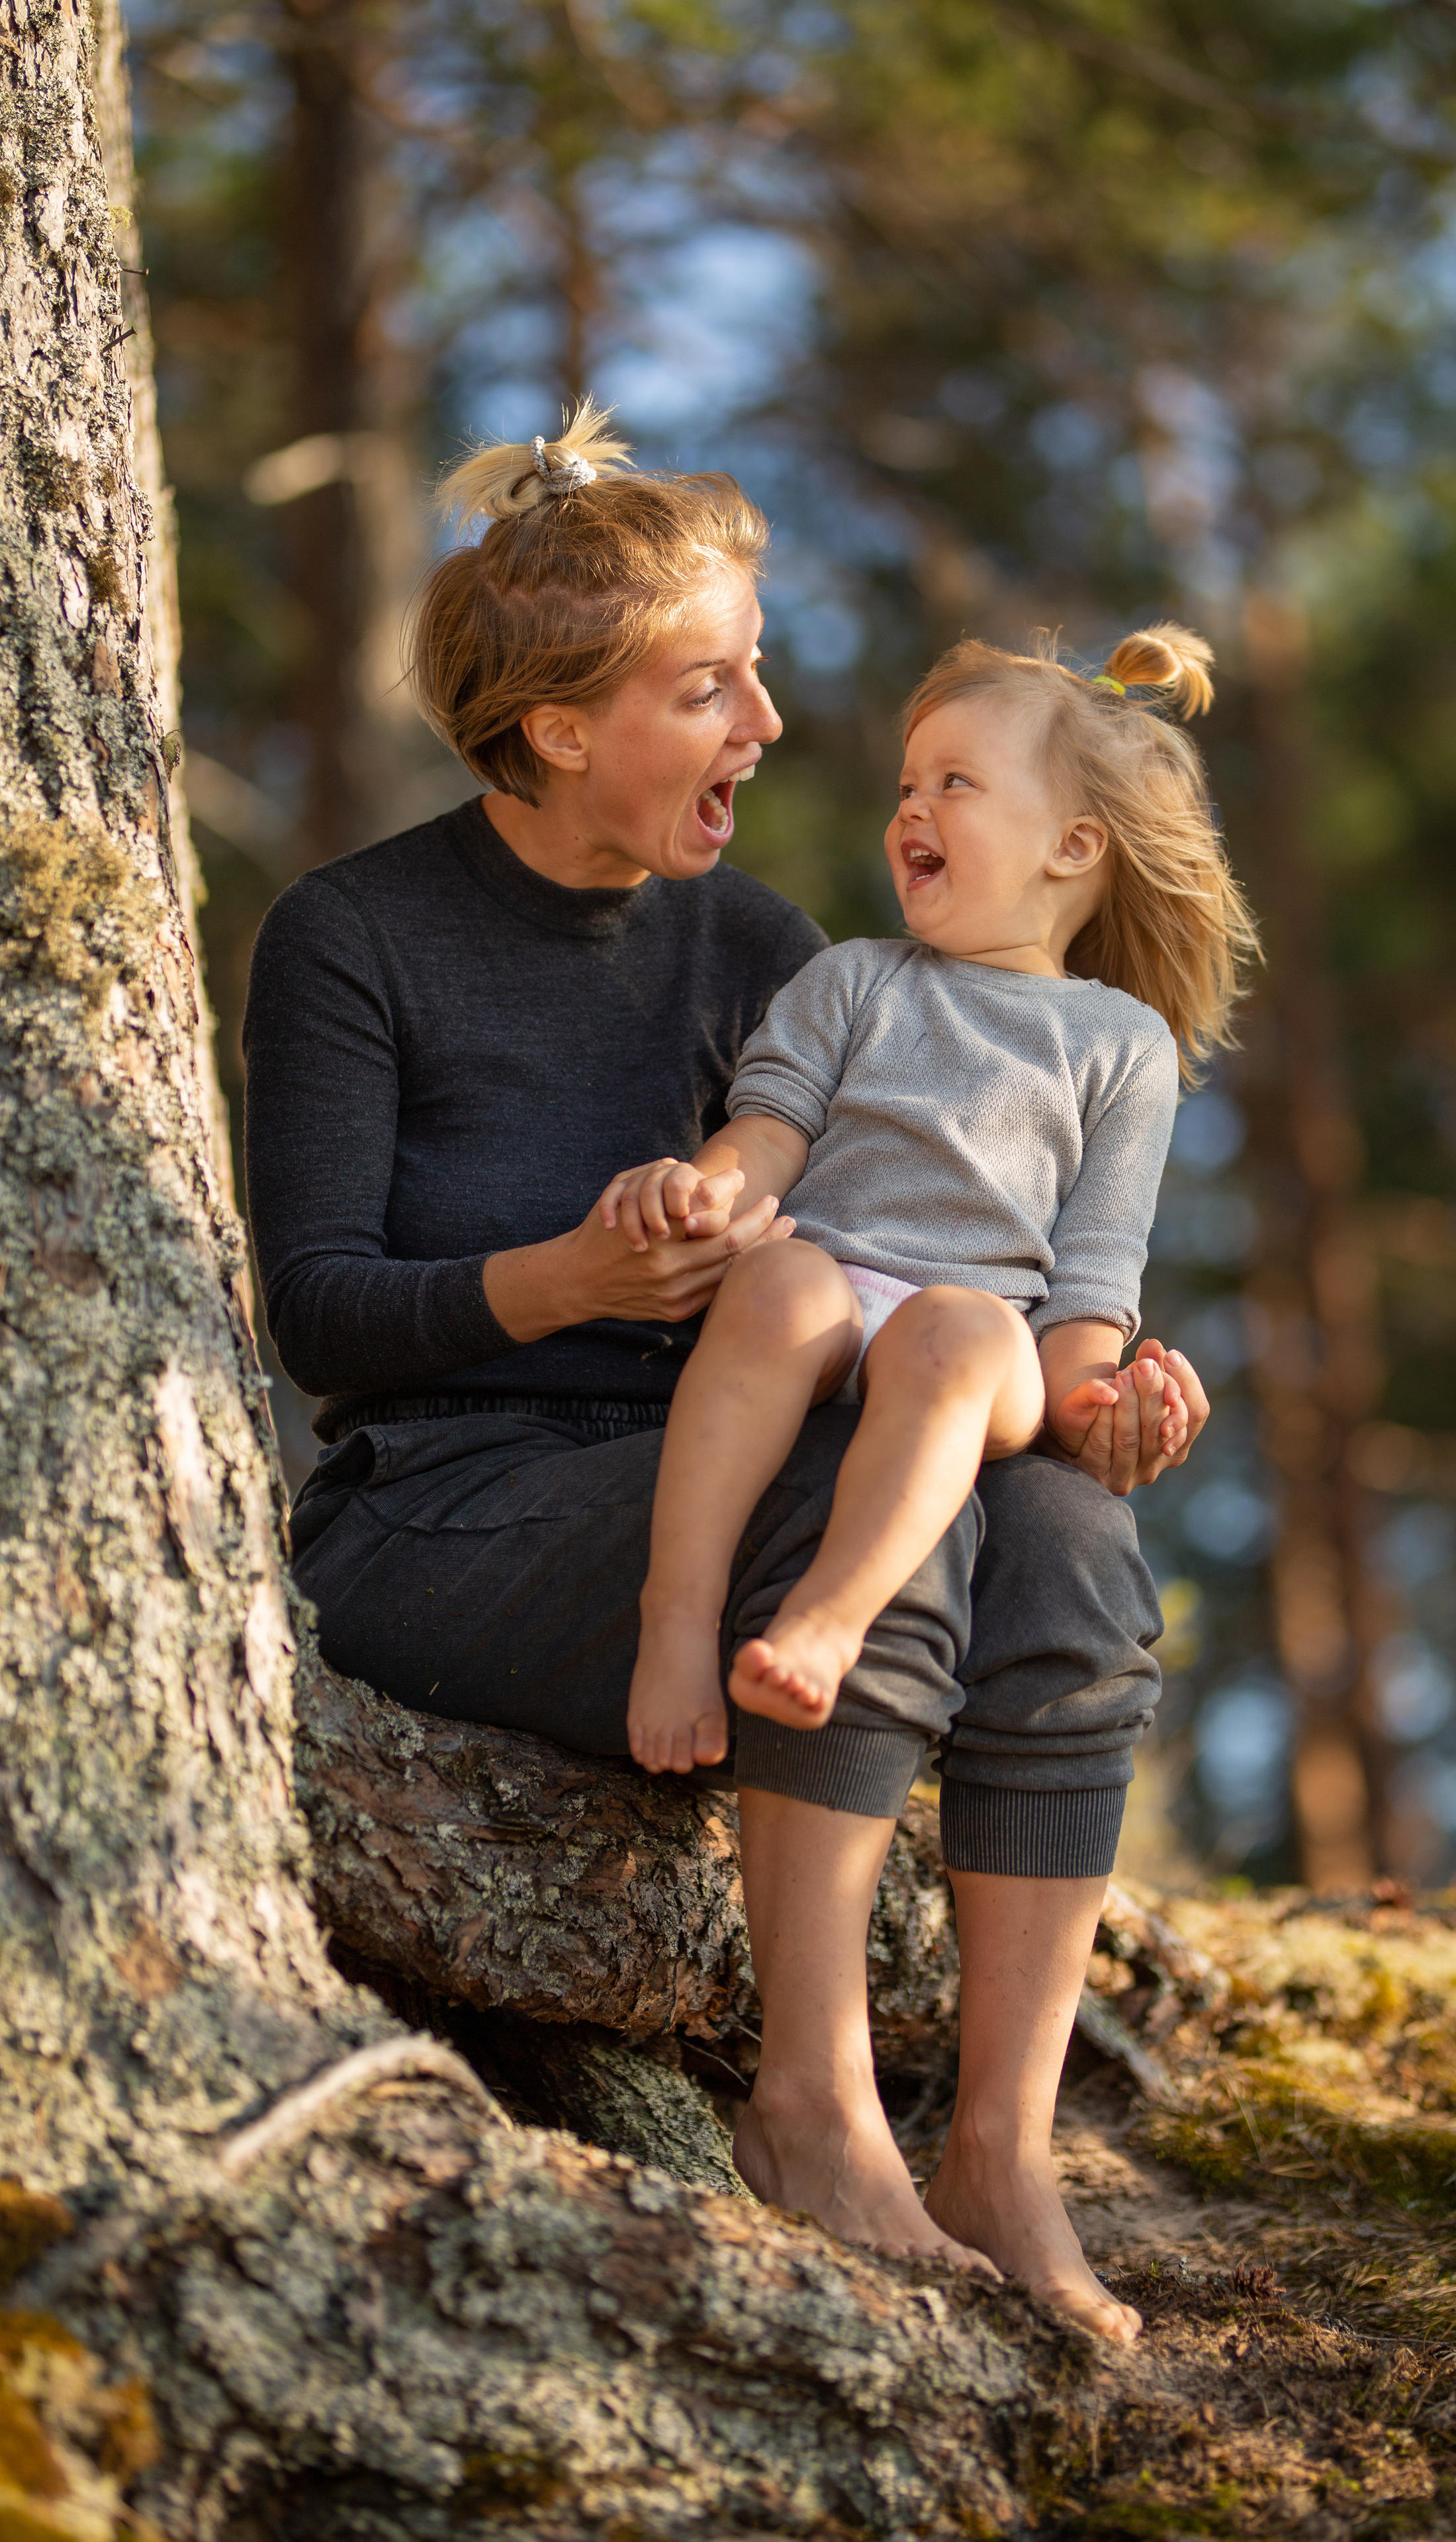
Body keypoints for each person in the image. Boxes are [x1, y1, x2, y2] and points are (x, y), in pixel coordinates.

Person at [242, 402, 1213, 2345]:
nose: (767, 726)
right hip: (448, 1514)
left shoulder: (764, 942)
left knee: (1069, 1547)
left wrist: (1088, 1396)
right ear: (556, 728)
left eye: (758, 672)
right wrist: (573, 1277)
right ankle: (814, 2105)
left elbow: (901, 1261)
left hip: (742, 1439)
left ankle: (1002, 2155)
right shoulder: (354, 938)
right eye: (711, 687)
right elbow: (322, 1318)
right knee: (843, 1531)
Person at [625, 626, 1251, 1779]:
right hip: (829, 1295)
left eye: (954, 783)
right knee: (773, 1279)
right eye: (908, 786)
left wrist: (1099, 1406)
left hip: (982, 1343)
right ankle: (676, 1622)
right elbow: (769, 1134)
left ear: (1072, 845)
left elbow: (1093, 1275)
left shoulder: (1123, 1046)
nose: (912, 809)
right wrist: (696, 1194)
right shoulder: (855, 978)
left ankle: (830, 1618)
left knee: (956, 1331)